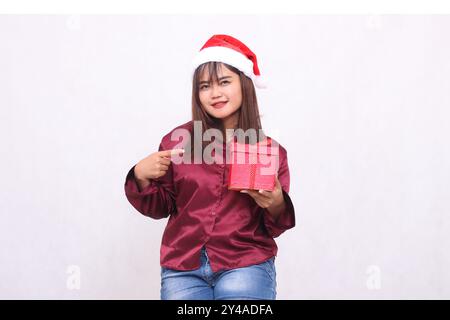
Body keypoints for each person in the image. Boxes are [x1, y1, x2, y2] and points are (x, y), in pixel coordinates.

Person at [124, 34, 296, 300]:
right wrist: (140, 176)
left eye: (224, 82)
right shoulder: (178, 142)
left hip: (245, 264)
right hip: (183, 269)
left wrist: (275, 202)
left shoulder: (268, 151)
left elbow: (275, 225)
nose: (215, 93)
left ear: (244, 84)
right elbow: (162, 206)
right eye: (205, 86)